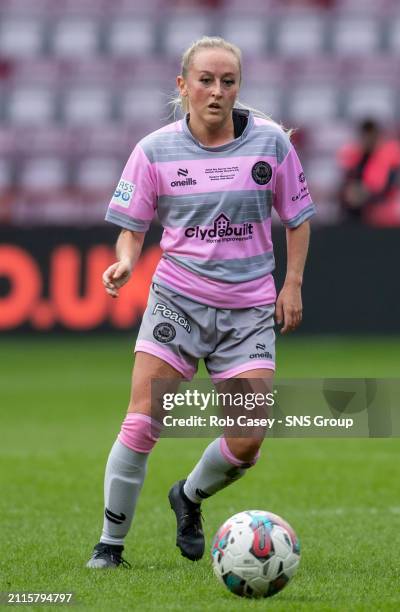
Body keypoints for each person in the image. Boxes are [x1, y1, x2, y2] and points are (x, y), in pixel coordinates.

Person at [86, 36, 315, 569]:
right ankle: (109, 546)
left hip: (249, 310)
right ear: (182, 85)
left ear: (239, 86)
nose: (217, 91)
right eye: (206, 80)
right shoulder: (153, 150)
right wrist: (125, 259)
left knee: (248, 440)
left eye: (228, 81)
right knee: (143, 421)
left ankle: (187, 496)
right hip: (178, 303)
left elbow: (298, 217)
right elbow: (131, 226)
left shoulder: (272, 145)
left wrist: (293, 283)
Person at [338, 118, 400, 226]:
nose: (369, 139)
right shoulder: (354, 155)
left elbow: (386, 186)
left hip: (382, 206)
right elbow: (347, 183)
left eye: (371, 135)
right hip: (358, 208)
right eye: (366, 135)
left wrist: (365, 192)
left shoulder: (389, 154)